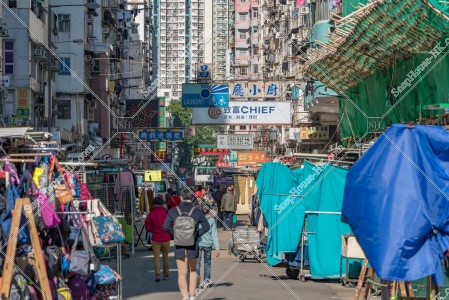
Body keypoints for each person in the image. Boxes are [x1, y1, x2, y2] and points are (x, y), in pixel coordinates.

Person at [164, 194, 210, 300]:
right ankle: (192, 294)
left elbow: (165, 226)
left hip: (179, 246)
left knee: (182, 272)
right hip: (193, 246)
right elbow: (206, 227)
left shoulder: (174, 211)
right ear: (192, 198)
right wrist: (195, 235)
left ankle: (185, 296)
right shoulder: (197, 211)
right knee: (193, 270)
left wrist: (175, 235)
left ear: (181, 198)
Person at [145, 196, 171, 282]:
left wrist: (152, 230)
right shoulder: (166, 212)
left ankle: (158, 275)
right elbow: (171, 223)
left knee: (156, 258)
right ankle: (166, 274)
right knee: (165, 257)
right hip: (166, 238)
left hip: (155, 238)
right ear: (162, 204)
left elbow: (147, 226)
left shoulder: (151, 214)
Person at [196, 204, 220, 286]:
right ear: (209, 211)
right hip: (208, 244)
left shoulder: (197, 219)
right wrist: (217, 248)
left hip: (198, 243)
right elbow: (214, 234)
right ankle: (206, 282)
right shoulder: (212, 220)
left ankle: (196, 281)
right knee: (207, 263)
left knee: (197, 263)